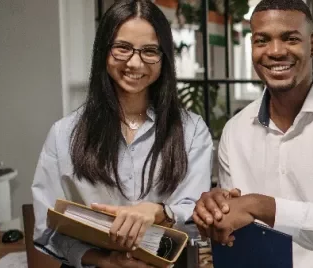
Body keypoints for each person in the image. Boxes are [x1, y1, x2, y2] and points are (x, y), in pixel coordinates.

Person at [191, 0, 313, 267]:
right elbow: (234, 226)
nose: (275, 51)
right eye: (262, 40)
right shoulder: (235, 130)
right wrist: (215, 213)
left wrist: (263, 206)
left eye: (290, 39)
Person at [31, 0, 213, 267]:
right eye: (123, 48)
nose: (135, 63)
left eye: (150, 51)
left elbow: (198, 217)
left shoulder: (191, 130)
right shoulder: (64, 134)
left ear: (164, 59)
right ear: (103, 51)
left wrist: (160, 213)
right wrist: (105, 261)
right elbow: (46, 229)